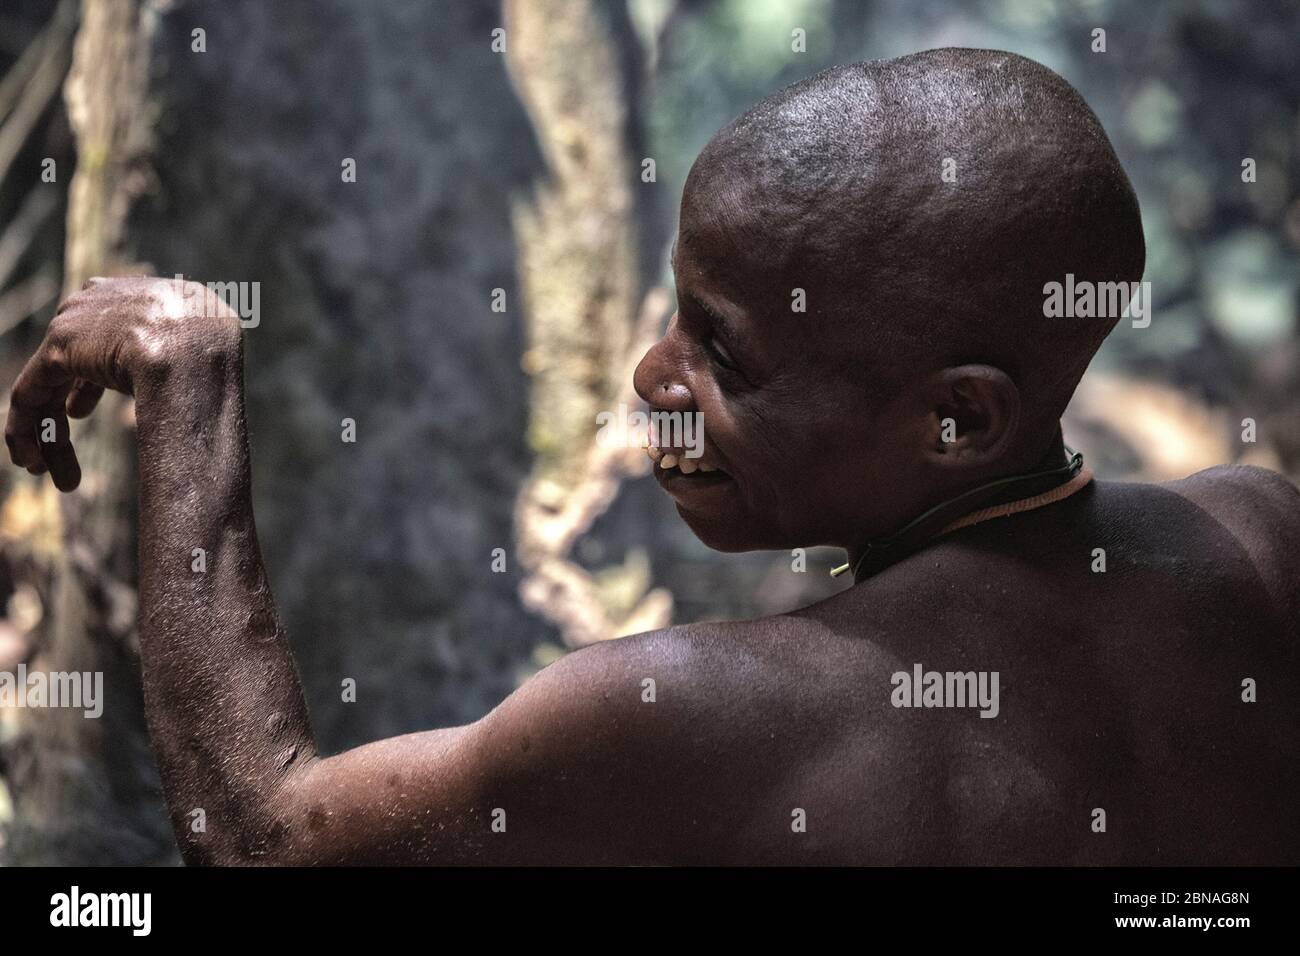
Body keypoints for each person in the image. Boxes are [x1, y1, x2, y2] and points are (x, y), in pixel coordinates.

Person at [6, 49, 1298, 865]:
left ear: (959, 421)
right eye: (676, 311)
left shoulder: (707, 714)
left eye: (724, 358)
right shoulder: (1259, 538)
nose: (651, 383)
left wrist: (187, 372)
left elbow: (260, 839)